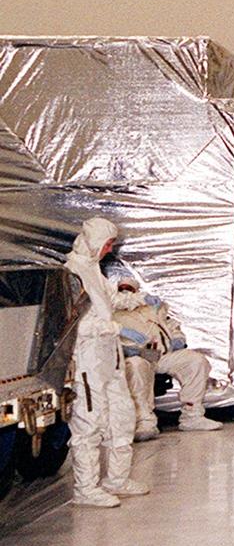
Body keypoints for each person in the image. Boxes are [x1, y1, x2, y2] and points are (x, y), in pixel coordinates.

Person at [63, 217, 149, 507]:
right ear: (92, 241)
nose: (109, 249)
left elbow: (107, 300)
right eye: (107, 243)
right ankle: (85, 489)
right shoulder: (72, 273)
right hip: (87, 361)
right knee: (89, 422)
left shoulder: (93, 270)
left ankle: (116, 479)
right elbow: (72, 325)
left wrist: (132, 298)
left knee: (121, 416)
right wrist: (112, 328)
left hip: (109, 358)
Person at [114, 277, 221, 441]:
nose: (127, 291)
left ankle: (192, 415)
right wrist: (125, 349)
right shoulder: (112, 311)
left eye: (130, 288)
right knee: (135, 367)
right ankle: (144, 421)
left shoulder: (151, 309)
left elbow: (171, 325)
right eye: (123, 288)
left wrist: (178, 339)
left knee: (195, 360)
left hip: (160, 355)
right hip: (135, 355)